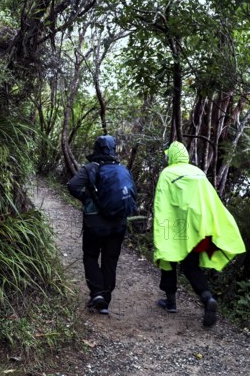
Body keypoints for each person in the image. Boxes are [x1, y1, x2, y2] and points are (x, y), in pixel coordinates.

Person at [153, 141, 246, 327]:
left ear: (171, 156)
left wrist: (161, 231)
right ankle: (207, 298)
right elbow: (212, 201)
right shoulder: (198, 173)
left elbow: (161, 203)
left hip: (176, 227)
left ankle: (170, 302)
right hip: (200, 229)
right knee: (191, 266)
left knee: (168, 260)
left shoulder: (167, 173)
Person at [67, 135, 137, 314]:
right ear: (114, 149)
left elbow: (73, 185)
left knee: (90, 256)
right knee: (110, 260)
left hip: (94, 222)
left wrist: (85, 198)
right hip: (118, 223)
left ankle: (97, 292)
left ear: (96, 148)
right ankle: (105, 301)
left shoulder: (91, 168)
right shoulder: (123, 170)